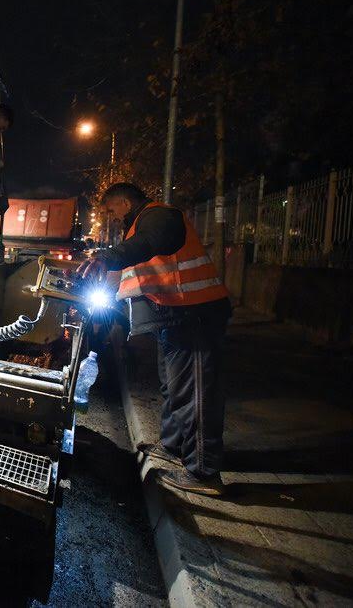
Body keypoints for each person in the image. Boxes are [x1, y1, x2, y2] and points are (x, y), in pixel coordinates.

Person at [77, 183, 232, 496]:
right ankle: (173, 447)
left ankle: (203, 473)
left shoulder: (159, 216)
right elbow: (133, 275)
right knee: (173, 388)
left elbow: (153, 242)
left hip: (194, 315)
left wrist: (106, 257)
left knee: (194, 394)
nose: (112, 217)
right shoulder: (138, 227)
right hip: (174, 316)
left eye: (112, 210)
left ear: (124, 201)